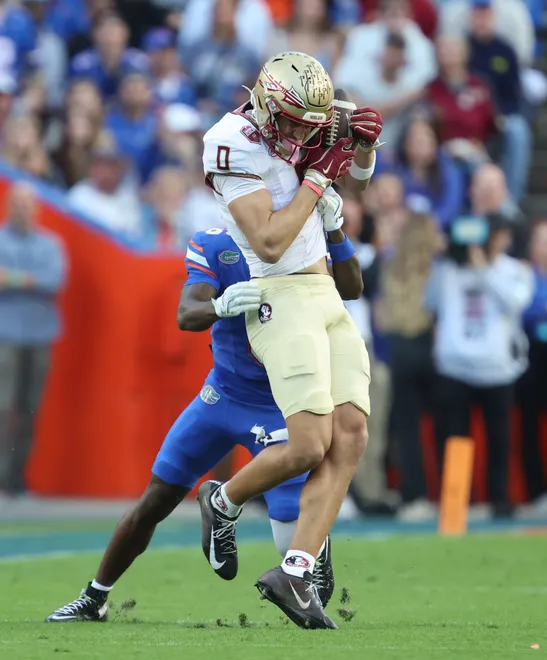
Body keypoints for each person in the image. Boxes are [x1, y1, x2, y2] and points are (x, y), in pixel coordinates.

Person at [44, 187, 363, 622]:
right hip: (223, 395)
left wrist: (335, 229)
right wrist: (219, 304)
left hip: (279, 404)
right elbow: (186, 313)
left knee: (293, 540)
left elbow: (352, 288)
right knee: (156, 498)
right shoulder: (215, 241)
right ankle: (95, 596)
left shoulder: (303, 235)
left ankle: (302, 559)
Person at [198, 51, 383, 629]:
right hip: (277, 293)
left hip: (325, 289)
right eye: (298, 123)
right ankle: (222, 501)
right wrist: (320, 175)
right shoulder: (229, 142)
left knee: (351, 432)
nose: (308, 130)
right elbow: (273, 241)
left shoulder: (311, 110)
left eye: (314, 122)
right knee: (308, 445)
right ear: (270, 107)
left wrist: (365, 147)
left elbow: (359, 171)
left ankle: (296, 570)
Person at [425, 214, 534, 518]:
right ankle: (459, 504)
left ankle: (499, 503)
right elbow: (430, 303)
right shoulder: (449, 268)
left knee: (499, 440)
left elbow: (515, 303)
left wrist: (483, 269)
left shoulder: (514, 270)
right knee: (455, 440)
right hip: (454, 367)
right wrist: (440, 260)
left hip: (497, 369)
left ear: (504, 239)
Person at [0, 182, 67, 495]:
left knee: (29, 410)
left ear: (36, 209)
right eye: (18, 204)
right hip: (6, 335)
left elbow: (54, 280)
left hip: (40, 335)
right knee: (3, 408)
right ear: (9, 206)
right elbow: (43, 281)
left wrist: (12, 278)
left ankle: (17, 480)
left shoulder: (50, 244)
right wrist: (32, 280)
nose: (23, 210)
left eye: (28, 204)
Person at [518, 220, 547, 515]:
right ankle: (536, 493)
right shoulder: (523, 274)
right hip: (529, 358)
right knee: (528, 430)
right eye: (541, 241)